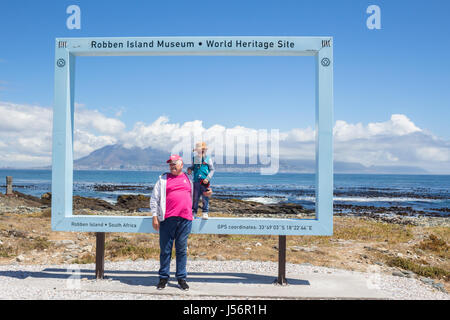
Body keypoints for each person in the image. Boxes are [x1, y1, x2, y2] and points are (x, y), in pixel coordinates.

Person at [150, 154, 193, 291]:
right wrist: (154, 216)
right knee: (165, 250)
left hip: (185, 219)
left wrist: (208, 193)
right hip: (167, 219)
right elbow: (154, 199)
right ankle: (163, 278)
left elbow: (197, 194)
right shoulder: (163, 179)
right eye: (170, 164)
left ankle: (181, 278)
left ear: (181, 164)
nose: (172, 166)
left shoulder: (188, 178)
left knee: (181, 250)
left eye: (175, 163)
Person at [187, 142, 215, 219]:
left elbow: (212, 170)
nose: (200, 151)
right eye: (198, 150)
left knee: (205, 196)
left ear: (204, 150)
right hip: (196, 180)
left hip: (204, 181)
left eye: (202, 149)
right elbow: (194, 167)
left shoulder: (208, 158)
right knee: (195, 197)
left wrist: (207, 178)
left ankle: (205, 212)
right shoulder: (195, 158)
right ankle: (194, 212)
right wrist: (190, 169)